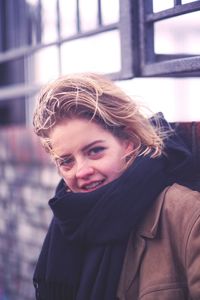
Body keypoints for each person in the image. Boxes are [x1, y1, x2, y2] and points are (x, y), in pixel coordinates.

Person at [32, 72, 200, 300]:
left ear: (128, 142)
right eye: (66, 161)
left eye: (95, 151)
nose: (82, 171)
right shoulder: (69, 221)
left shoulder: (186, 214)